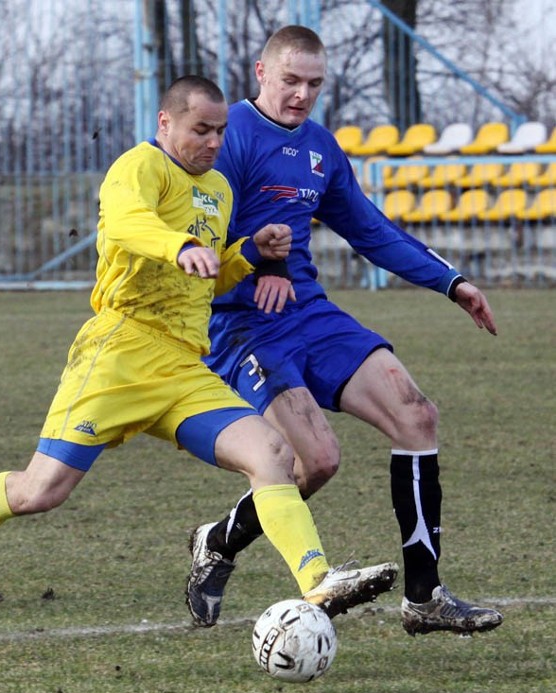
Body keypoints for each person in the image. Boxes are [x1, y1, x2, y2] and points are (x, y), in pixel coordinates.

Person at [0, 75, 398, 618]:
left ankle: (317, 581)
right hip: (119, 355)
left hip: (182, 366)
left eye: (221, 131)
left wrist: (246, 253)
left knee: (272, 454)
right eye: (201, 129)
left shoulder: (219, 190)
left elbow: (208, 278)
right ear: (165, 122)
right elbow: (130, 225)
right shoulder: (138, 167)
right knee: (41, 490)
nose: (214, 142)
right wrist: (180, 246)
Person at [185, 25, 504, 637]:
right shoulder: (229, 140)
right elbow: (195, 244)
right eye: (290, 81)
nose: (302, 95)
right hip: (241, 323)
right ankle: (219, 540)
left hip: (310, 314)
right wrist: (255, 273)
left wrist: (451, 282)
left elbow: (370, 229)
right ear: (260, 73)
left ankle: (424, 596)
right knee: (318, 461)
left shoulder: (321, 148)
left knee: (417, 416)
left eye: (314, 84)